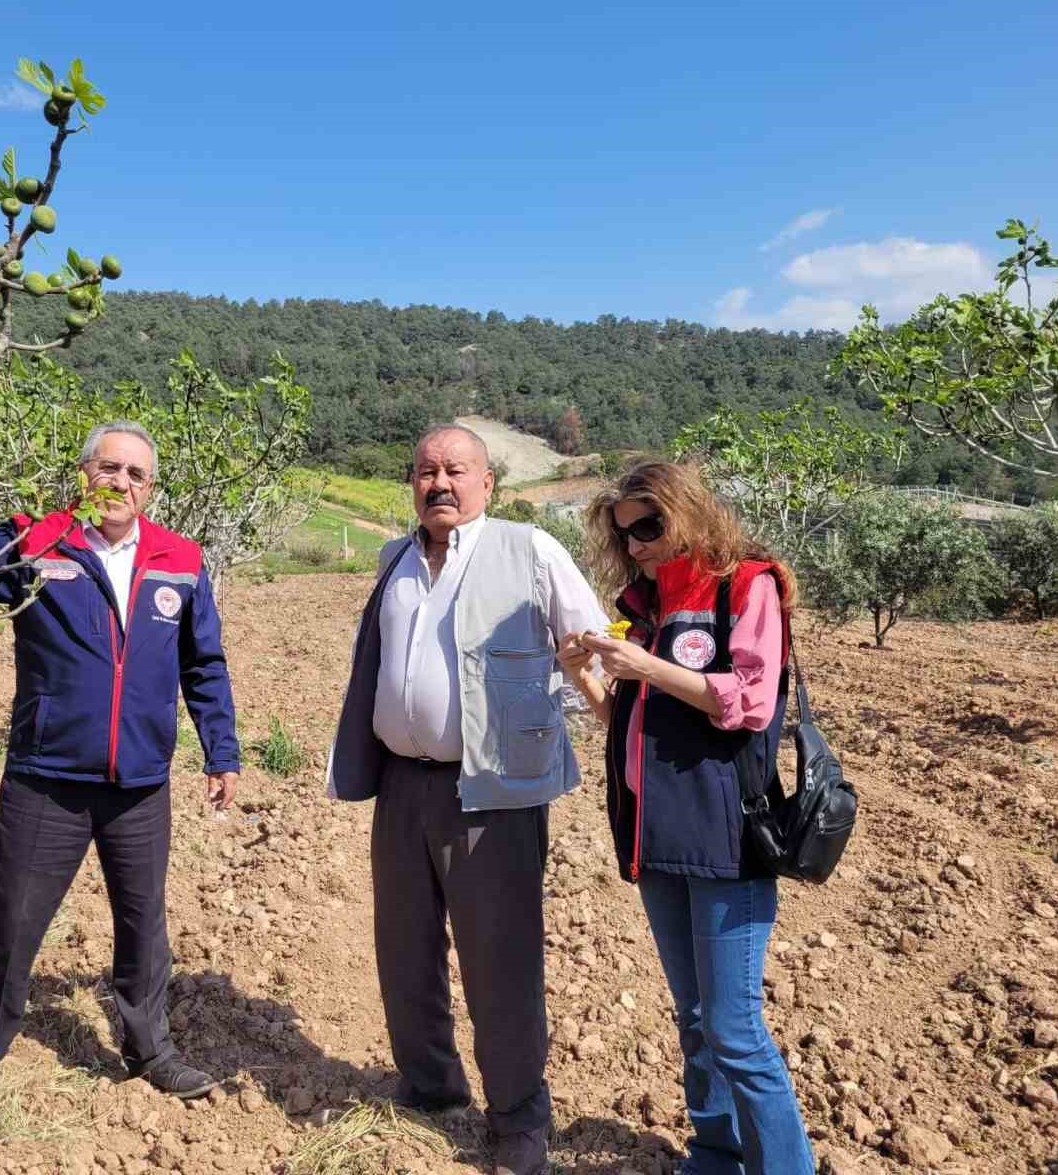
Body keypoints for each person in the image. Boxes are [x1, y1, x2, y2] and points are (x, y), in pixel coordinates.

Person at [0, 421, 241, 1113]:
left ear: (150, 488)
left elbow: (202, 663)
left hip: (141, 785)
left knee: (143, 926)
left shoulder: (181, 558)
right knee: (12, 922)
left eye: (136, 474)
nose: (120, 482)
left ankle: (149, 1048)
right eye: (109, 467)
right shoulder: (35, 540)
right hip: (47, 778)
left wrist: (222, 749)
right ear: (83, 472)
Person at [327, 424, 609, 1175]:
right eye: (426, 471)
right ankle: (430, 1085)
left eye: (456, 470)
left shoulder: (530, 551)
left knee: (501, 961)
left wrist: (545, 721)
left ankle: (519, 1119)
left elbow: (591, 651)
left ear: (488, 483)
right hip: (402, 785)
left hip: (494, 794)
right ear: (411, 483)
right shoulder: (394, 559)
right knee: (404, 946)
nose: (440, 483)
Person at [559, 458, 815, 1175]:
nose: (637, 543)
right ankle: (713, 1154)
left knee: (734, 1029)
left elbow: (752, 702)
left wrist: (646, 667)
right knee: (696, 1020)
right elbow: (635, 726)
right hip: (656, 834)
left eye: (650, 525)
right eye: (625, 532)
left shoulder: (746, 586)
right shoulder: (646, 605)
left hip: (726, 839)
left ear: (689, 512)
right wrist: (588, 677)